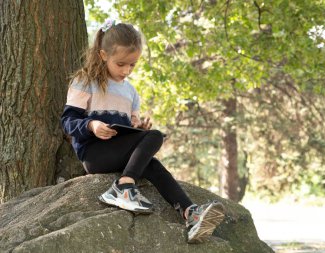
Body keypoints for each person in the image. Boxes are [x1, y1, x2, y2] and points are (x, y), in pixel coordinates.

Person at [60, 19, 225, 243]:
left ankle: (190, 213)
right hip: (94, 154)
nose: (127, 71)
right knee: (155, 137)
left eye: (132, 65)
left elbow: (130, 128)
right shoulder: (85, 81)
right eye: (121, 64)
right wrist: (91, 125)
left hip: (121, 151)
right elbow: (67, 121)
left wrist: (138, 129)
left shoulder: (131, 92)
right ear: (103, 54)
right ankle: (124, 187)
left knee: (153, 164)